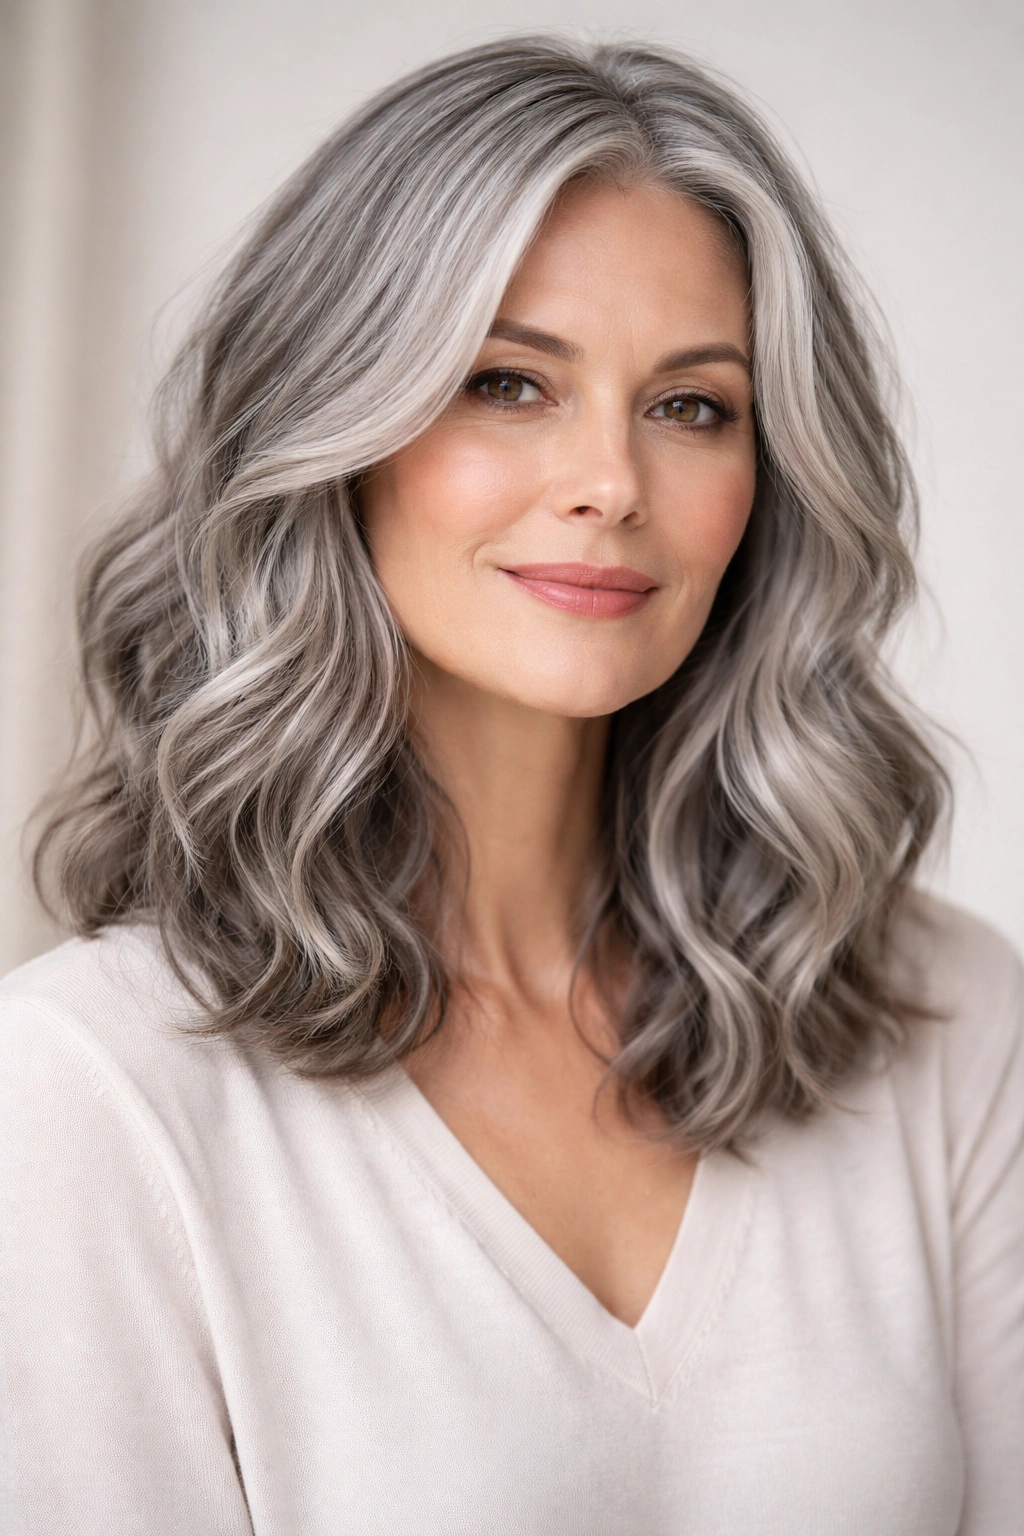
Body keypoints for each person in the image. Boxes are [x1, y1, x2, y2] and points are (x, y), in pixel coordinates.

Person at [1, 35, 1020, 1536]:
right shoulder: (95, 1094)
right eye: (508, 382)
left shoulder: (948, 1024)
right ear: (332, 431)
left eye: (692, 406)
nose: (610, 478)